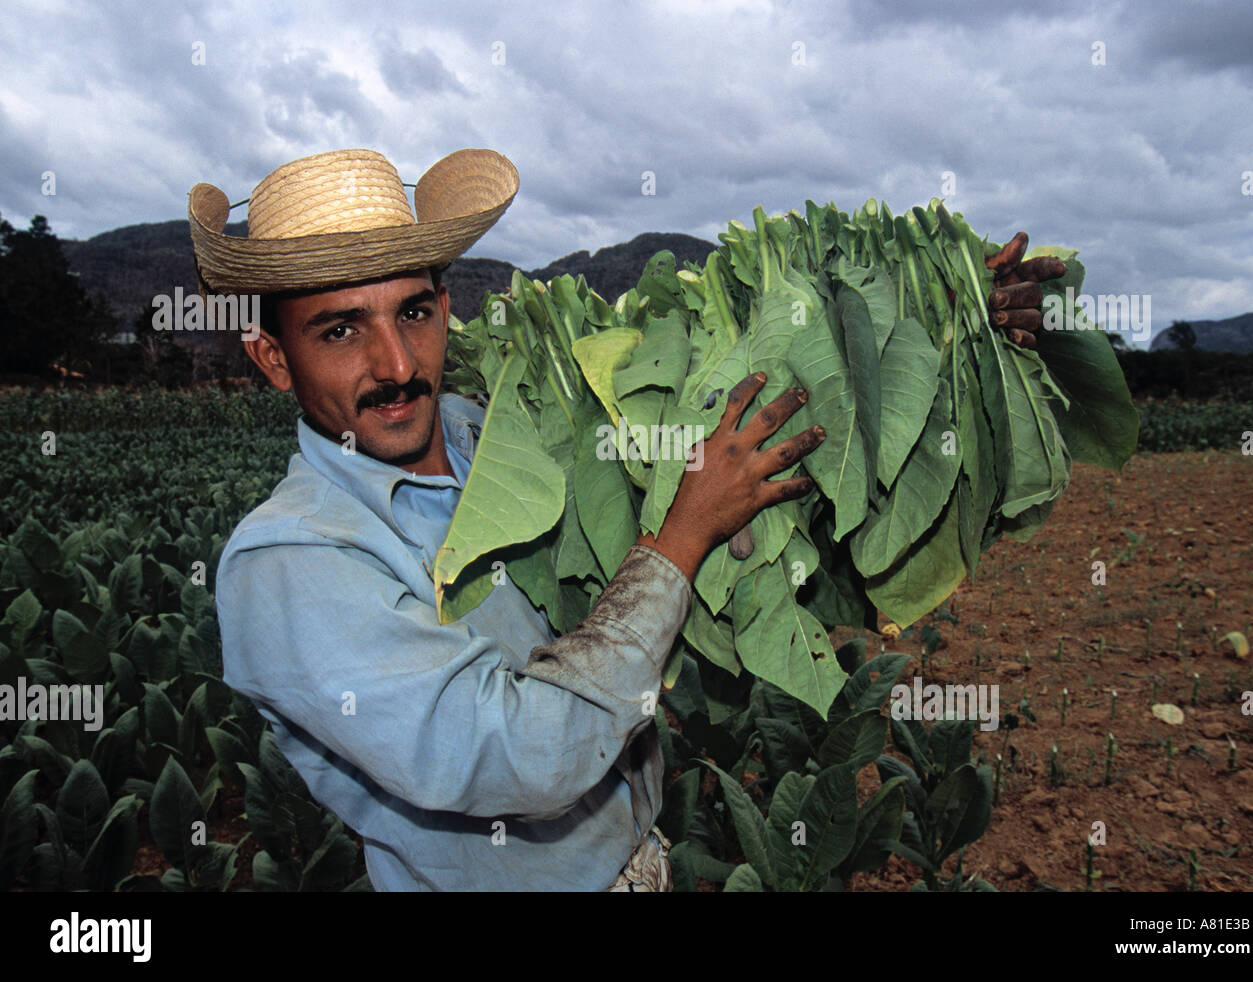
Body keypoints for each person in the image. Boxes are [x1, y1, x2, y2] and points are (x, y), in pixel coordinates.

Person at [190, 147, 1061, 891]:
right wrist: (681, 536)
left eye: (412, 312)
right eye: (340, 331)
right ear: (272, 358)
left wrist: (934, 312)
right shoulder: (289, 561)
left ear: (445, 306)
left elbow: (751, 420)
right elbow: (522, 758)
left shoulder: (489, 424)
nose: (395, 363)